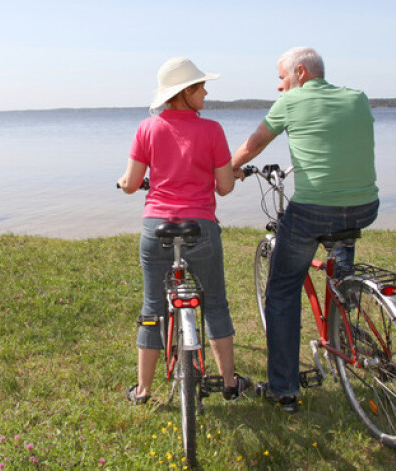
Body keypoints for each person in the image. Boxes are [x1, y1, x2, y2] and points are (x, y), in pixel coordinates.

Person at [231, 47, 379, 413]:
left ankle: (283, 388)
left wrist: (228, 168)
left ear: (300, 72)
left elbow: (253, 146)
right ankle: (349, 324)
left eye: (281, 78)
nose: (280, 87)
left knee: (281, 292)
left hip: (313, 211)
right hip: (364, 207)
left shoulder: (291, 103)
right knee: (340, 274)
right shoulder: (358, 98)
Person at [118, 56, 251, 405]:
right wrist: (227, 176)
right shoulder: (212, 130)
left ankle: (143, 391)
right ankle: (228, 383)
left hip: (156, 228)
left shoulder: (147, 129)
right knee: (216, 305)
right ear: (186, 92)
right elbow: (224, 187)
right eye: (201, 86)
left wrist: (123, 182)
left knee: (152, 308)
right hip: (201, 228)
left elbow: (132, 184)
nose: (206, 92)